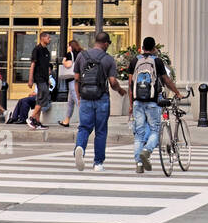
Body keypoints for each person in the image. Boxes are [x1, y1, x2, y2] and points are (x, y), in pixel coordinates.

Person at [72, 32, 124, 172]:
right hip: (102, 98)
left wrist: (79, 97)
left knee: (84, 127)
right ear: (106, 43)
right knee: (101, 131)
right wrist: (120, 90)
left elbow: (76, 79)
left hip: (85, 98)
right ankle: (98, 163)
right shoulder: (108, 59)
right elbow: (112, 82)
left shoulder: (81, 56)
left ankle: (80, 148)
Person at [125, 36, 177, 174]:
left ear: (142, 47)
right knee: (155, 130)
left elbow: (130, 85)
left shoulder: (135, 61)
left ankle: (139, 164)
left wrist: (131, 104)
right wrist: (177, 92)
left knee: (139, 134)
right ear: (154, 48)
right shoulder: (157, 61)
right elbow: (166, 80)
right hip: (153, 101)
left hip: (137, 102)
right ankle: (147, 151)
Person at [28, 32, 53, 129]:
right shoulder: (36, 50)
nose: (50, 39)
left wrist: (49, 79)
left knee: (40, 99)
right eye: (48, 37)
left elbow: (46, 67)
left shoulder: (46, 51)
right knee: (43, 97)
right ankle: (31, 117)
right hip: (39, 78)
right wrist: (30, 79)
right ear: (42, 38)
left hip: (45, 78)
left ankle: (37, 122)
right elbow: (33, 64)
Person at [57, 39, 81, 127]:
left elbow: (68, 65)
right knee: (70, 102)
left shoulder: (69, 55)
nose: (67, 47)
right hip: (77, 78)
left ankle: (83, 121)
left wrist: (63, 61)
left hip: (72, 80)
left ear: (71, 46)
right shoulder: (79, 54)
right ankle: (66, 120)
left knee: (77, 100)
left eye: (68, 45)